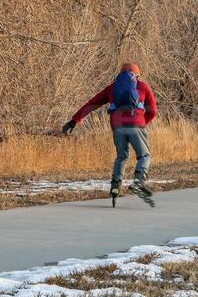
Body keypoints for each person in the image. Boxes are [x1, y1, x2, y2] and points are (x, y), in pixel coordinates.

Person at [62, 62, 156, 199]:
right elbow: (152, 111)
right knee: (144, 156)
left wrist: (74, 121)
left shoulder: (112, 88)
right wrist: (142, 123)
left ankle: (115, 187)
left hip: (117, 126)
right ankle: (138, 180)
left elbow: (92, 104)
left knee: (122, 156)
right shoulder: (143, 87)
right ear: (137, 75)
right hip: (137, 125)